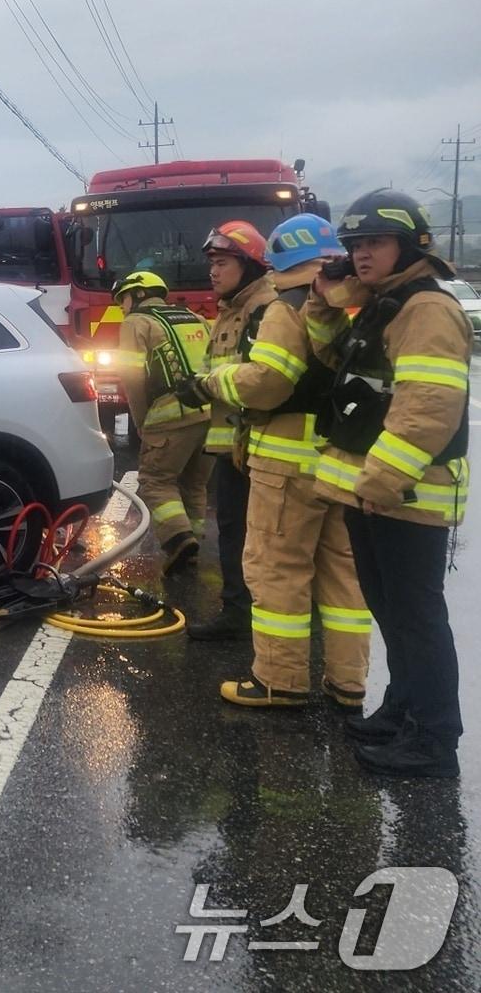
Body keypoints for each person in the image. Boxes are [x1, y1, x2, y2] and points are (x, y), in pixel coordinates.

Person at [306, 191, 469, 779]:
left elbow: (429, 407)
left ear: (410, 244)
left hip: (404, 494)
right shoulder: (383, 305)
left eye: (373, 242)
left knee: (415, 616)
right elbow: (332, 358)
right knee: (392, 612)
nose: (361, 254)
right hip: (373, 494)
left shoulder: (425, 309)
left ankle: (433, 738)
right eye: (354, 245)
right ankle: (402, 711)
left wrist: (380, 481)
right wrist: (326, 298)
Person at [195, 215, 371, 707]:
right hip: (342, 459)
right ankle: (348, 683)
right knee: (342, 576)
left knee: (279, 570)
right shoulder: (355, 303)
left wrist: (215, 382)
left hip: (287, 463)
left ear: (275, 259)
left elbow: (269, 383)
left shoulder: (287, 305)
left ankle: (280, 680)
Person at [180, 221, 277, 641]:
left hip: (259, 445)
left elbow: (261, 380)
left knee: (259, 538)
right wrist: (194, 385)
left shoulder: (265, 309)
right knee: (235, 532)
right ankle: (237, 612)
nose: (213, 272)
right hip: (234, 445)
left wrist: (204, 384)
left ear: (250, 264)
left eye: (221, 262)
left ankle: (254, 618)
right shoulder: (230, 310)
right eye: (212, 263)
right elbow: (217, 366)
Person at [111, 270, 212, 571]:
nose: (123, 307)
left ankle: (179, 540)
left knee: (156, 481)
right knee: (195, 484)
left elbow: (132, 377)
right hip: (211, 415)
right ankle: (192, 543)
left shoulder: (136, 322)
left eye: (123, 300)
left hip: (170, 415)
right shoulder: (196, 318)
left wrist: (142, 421)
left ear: (138, 294)